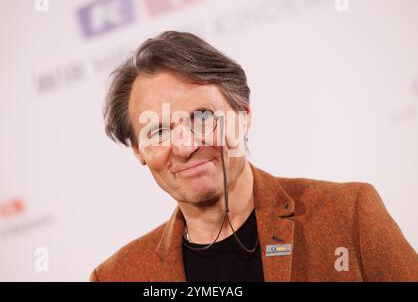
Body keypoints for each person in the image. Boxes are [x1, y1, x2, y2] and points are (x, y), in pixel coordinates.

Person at [90, 31, 417, 281]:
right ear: (138, 150)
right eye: (158, 131)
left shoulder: (350, 214)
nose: (187, 146)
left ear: (243, 116)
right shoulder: (116, 276)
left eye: (202, 117)